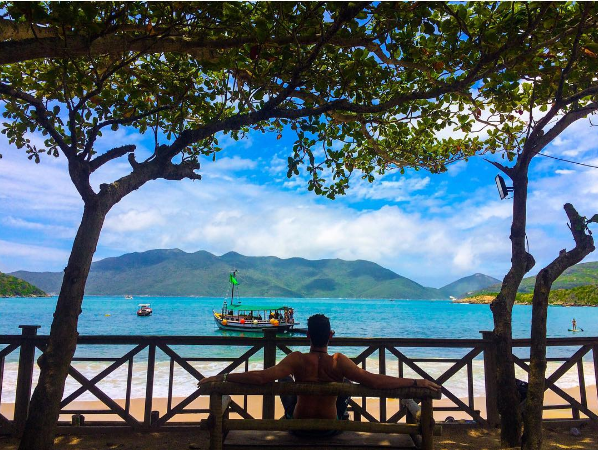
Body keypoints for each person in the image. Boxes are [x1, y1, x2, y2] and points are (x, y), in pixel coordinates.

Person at [200, 314, 440, 424]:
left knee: (283, 381)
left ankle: (289, 415)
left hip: (297, 427)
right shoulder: (338, 361)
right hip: (330, 428)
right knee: (346, 385)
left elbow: (262, 377)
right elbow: (374, 381)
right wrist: (415, 382)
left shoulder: (297, 359)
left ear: (308, 338)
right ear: (331, 335)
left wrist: (222, 376)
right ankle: (343, 414)